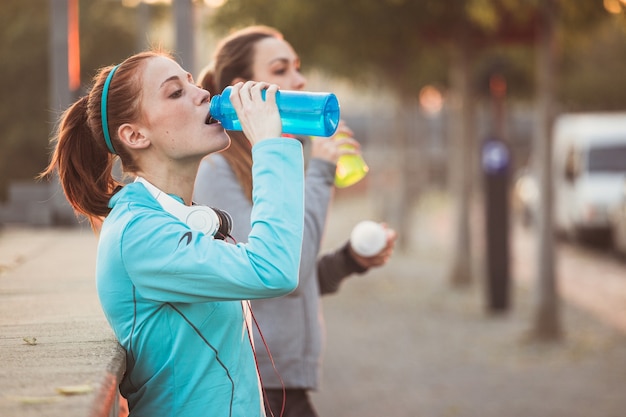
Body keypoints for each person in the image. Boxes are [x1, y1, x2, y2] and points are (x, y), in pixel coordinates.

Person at [39, 50, 306, 417]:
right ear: (134, 135)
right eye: (175, 92)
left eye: (192, 82)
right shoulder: (139, 234)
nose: (202, 94)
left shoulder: (170, 219)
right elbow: (272, 269)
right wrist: (270, 148)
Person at [194, 26, 397, 417]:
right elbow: (282, 273)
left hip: (283, 384)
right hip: (259, 385)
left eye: (297, 68)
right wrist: (320, 172)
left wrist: (351, 260)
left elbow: (297, 279)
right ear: (244, 90)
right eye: (281, 69)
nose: (299, 80)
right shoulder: (217, 170)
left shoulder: (270, 165)